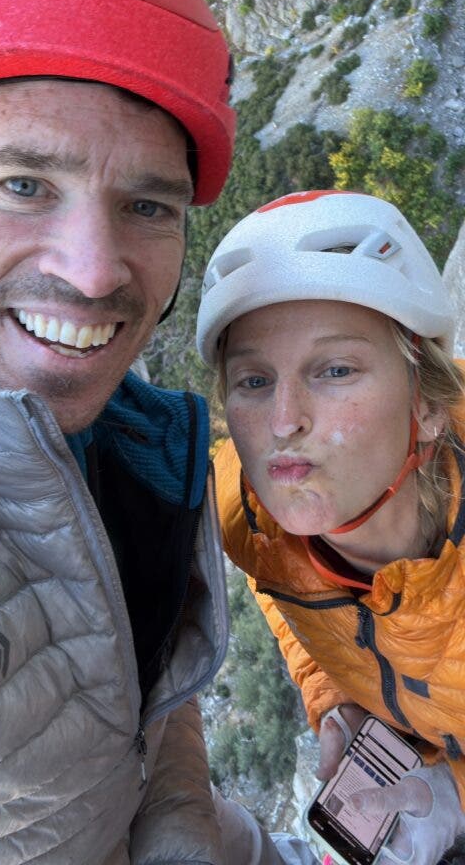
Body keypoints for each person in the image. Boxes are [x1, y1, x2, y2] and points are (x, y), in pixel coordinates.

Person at [0, 0, 319, 865]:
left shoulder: (134, 440)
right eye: (24, 185)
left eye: (147, 206)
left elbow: (147, 701)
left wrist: (181, 829)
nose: (93, 274)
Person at [196, 189, 465, 865]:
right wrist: (333, 698)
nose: (284, 422)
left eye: (336, 370)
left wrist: (457, 796)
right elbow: (275, 585)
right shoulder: (245, 509)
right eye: (253, 381)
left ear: (428, 403)